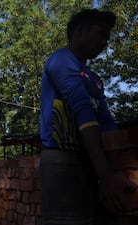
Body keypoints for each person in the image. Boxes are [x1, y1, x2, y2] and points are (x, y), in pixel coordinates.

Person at [39, 9, 137, 225]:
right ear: (79, 31)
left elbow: (106, 123)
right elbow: (83, 110)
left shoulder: (93, 78)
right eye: (100, 34)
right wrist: (106, 174)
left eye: (107, 39)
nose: (105, 43)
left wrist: (113, 170)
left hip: (91, 160)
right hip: (62, 161)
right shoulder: (61, 60)